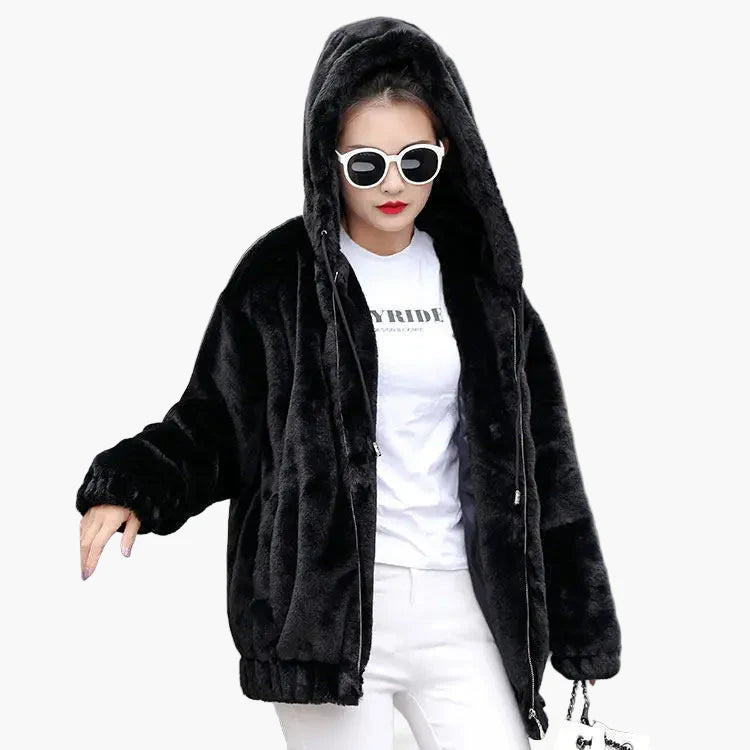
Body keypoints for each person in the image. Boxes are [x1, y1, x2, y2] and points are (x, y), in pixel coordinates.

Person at [76, 16, 621, 749]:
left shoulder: (485, 287)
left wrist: (584, 630)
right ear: (328, 159)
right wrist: (133, 485)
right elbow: (215, 421)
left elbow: (547, 457)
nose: (393, 184)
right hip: (326, 618)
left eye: (415, 161)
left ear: (446, 151)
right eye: (367, 164)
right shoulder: (280, 278)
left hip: (464, 607)